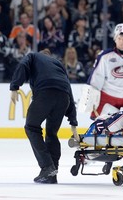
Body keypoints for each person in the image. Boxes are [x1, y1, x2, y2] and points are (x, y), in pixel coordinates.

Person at [9, 48, 78, 184]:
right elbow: (69, 89)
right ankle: (52, 174)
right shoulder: (58, 64)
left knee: (31, 127)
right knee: (52, 133)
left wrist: (14, 87)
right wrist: (73, 121)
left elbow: (23, 64)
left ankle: (47, 167)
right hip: (63, 97)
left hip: (46, 91)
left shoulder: (34, 56)